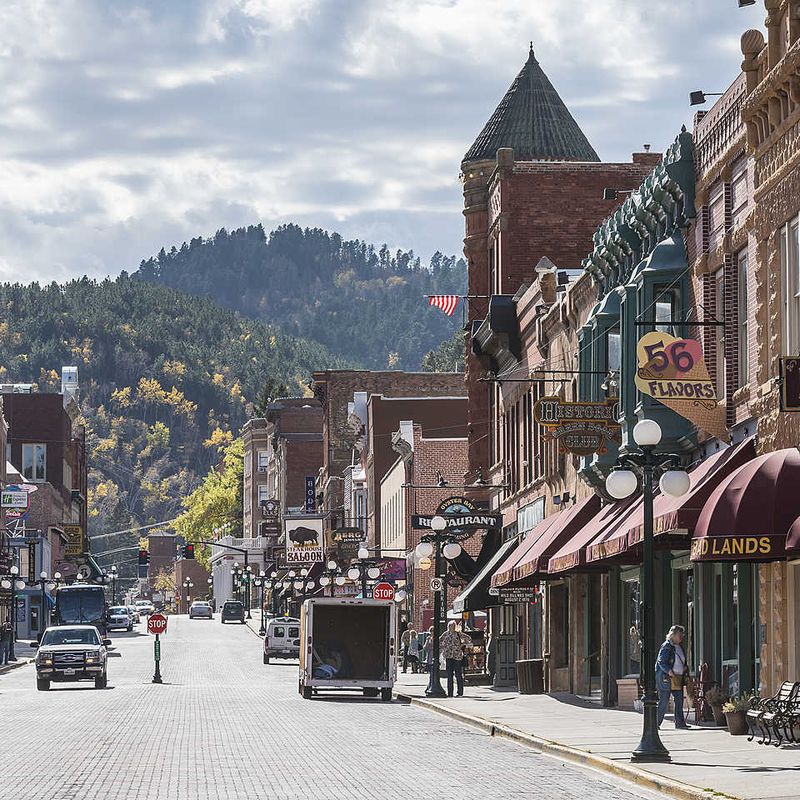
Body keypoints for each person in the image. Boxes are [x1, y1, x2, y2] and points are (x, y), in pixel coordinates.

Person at [656, 624, 690, 729]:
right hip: (667, 678)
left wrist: (684, 668)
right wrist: (669, 671)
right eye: (679, 635)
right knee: (664, 701)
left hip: (678, 677)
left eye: (682, 635)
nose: (681, 637)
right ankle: (655, 723)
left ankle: (680, 723)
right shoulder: (667, 645)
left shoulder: (679, 647)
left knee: (679, 700)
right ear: (673, 635)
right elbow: (661, 661)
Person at [440, 621, 467, 697]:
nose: (451, 627)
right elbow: (439, 641)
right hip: (448, 656)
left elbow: (468, 638)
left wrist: (462, 645)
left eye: (452, 626)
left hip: (457, 656)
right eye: (450, 626)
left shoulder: (458, 633)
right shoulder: (445, 634)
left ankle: (460, 692)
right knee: (449, 675)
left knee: (458, 674)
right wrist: (443, 648)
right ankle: (450, 693)